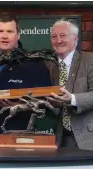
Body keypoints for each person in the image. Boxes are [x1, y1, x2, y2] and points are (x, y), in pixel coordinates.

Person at [0, 12, 59, 145]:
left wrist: (21, 106)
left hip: (22, 137)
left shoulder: (35, 64)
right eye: (0, 31)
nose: (4, 36)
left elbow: (47, 101)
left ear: (18, 34)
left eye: (10, 31)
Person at [48, 19, 93, 150]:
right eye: (54, 37)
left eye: (63, 35)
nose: (58, 40)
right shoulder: (51, 66)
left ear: (75, 39)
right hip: (61, 138)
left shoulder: (89, 60)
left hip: (88, 136)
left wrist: (72, 99)